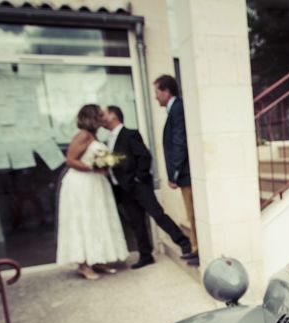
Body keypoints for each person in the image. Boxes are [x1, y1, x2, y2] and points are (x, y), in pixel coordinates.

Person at [102, 105, 192, 269]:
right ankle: (145, 255)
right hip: (122, 189)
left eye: (104, 114)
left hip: (138, 186)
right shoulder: (107, 140)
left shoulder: (130, 134)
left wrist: (138, 178)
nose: (101, 117)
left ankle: (184, 242)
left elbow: (144, 156)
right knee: (137, 223)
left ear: (114, 116)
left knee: (157, 215)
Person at [56, 104, 128, 280]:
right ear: (92, 118)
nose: (103, 117)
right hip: (81, 185)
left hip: (94, 184)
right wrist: (92, 168)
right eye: (100, 115)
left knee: (97, 220)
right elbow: (70, 160)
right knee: (84, 221)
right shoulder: (83, 135)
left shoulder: (93, 136)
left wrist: (103, 166)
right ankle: (84, 264)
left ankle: (98, 259)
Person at [153, 74, 199, 267]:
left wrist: (175, 174)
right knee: (191, 214)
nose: (155, 97)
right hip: (183, 173)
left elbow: (179, 143)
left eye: (157, 92)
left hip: (185, 173)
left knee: (193, 213)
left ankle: (198, 250)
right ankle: (195, 248)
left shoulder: (178, 109)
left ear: (166, 91)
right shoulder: (174, 109)